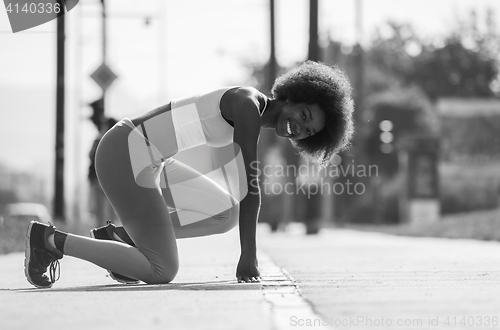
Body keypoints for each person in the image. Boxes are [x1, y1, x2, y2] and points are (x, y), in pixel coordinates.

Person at [24, 61, 354, 288]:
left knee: (225, 213)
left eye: (308, 132)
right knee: (162, 270)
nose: (299, 127)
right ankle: (49, 241)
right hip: (125, 152)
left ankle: (122, 238)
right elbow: (249, 187)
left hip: (151, 159)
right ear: (294, 96)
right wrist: (249, 256)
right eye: (305, 114)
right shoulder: (247, 105)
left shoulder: (252, 110)